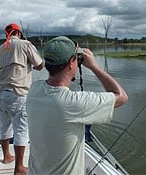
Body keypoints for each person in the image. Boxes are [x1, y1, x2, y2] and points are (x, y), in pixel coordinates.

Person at [26, 36, 128, 175]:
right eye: (76, 58)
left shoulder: (34, 89)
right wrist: (94, 66)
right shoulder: (74, 103)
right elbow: (121, 96)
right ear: (71, 63)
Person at [0, 23, 44, 175]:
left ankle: (7, 156)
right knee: (21, 129)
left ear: (7, 33)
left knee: (5, 125)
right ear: (18, 33)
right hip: (18, 93)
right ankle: (20, 168)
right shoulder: (25, 44)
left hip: (1, 93)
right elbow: (40, 65)